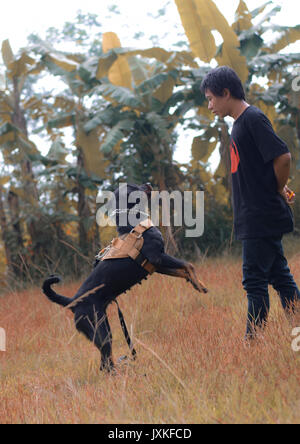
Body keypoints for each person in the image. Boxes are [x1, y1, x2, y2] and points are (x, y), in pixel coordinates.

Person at [201, 66, 300, 338]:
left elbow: (283, 157)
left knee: (254, 281)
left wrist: (278, 188)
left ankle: (253, 342)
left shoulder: (252, 119)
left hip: (260, 215)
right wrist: (276, 186)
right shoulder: (239, 125)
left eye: (211, 98)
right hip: (255, 215)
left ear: (226, 92)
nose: (210, 106)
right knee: (280, 277)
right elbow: (261, 167)